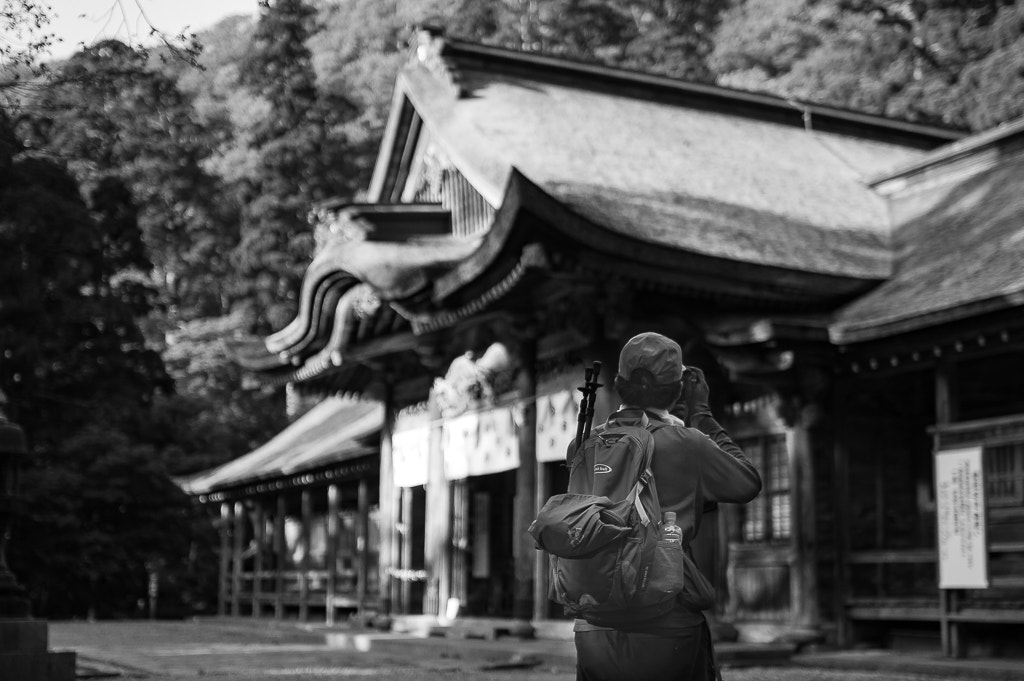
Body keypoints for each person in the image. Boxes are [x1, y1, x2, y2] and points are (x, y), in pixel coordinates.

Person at [574, 332, 763, 681]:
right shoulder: (687, 443)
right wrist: (702, 415)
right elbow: (747, 483)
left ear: (618, 384)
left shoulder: (588, 443)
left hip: (593, 626)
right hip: (665, 626)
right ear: (678, 390)